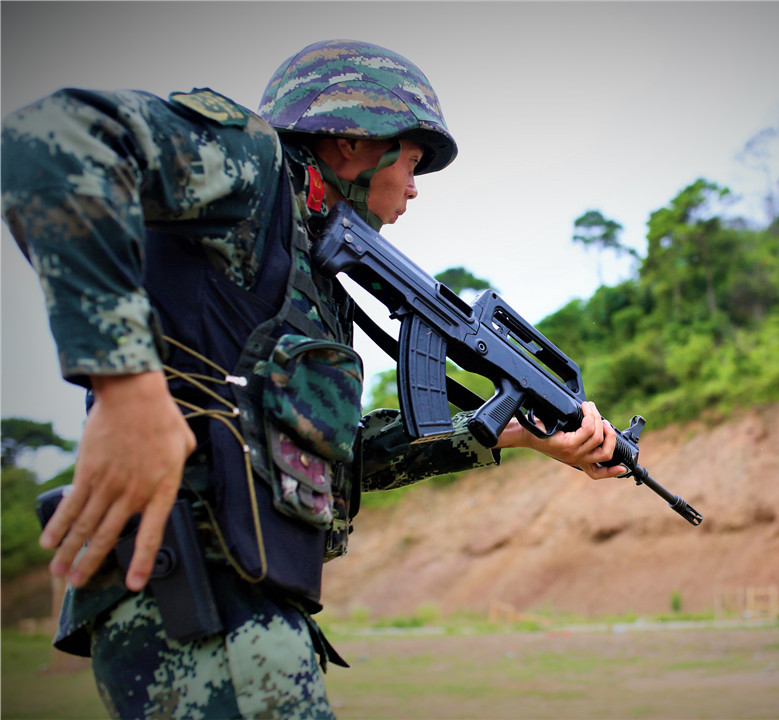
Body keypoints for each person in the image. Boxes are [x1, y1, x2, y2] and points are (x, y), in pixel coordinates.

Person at [2, 39, 623, 718]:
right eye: (412, 161)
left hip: (241, 593)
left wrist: (505, 437)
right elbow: (50, 138)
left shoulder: (308, 268)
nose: (415, 188)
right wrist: (125, 386)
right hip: (199, 589)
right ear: (352, 143)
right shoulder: (256, 167)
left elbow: (332, 459)